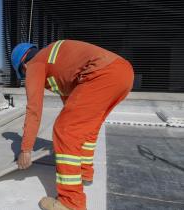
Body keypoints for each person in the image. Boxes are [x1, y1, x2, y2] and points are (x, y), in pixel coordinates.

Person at [11, 40, 134, 210]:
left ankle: (70, 202)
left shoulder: (35, 64)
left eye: (24, 75)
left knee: (65, 131)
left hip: (103, 73)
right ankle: (84, 173)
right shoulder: (53, 60)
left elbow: (34, 109)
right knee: (87, 128)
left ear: (23, 66)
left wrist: (26, 149)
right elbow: (72, 99)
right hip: (123, 72)